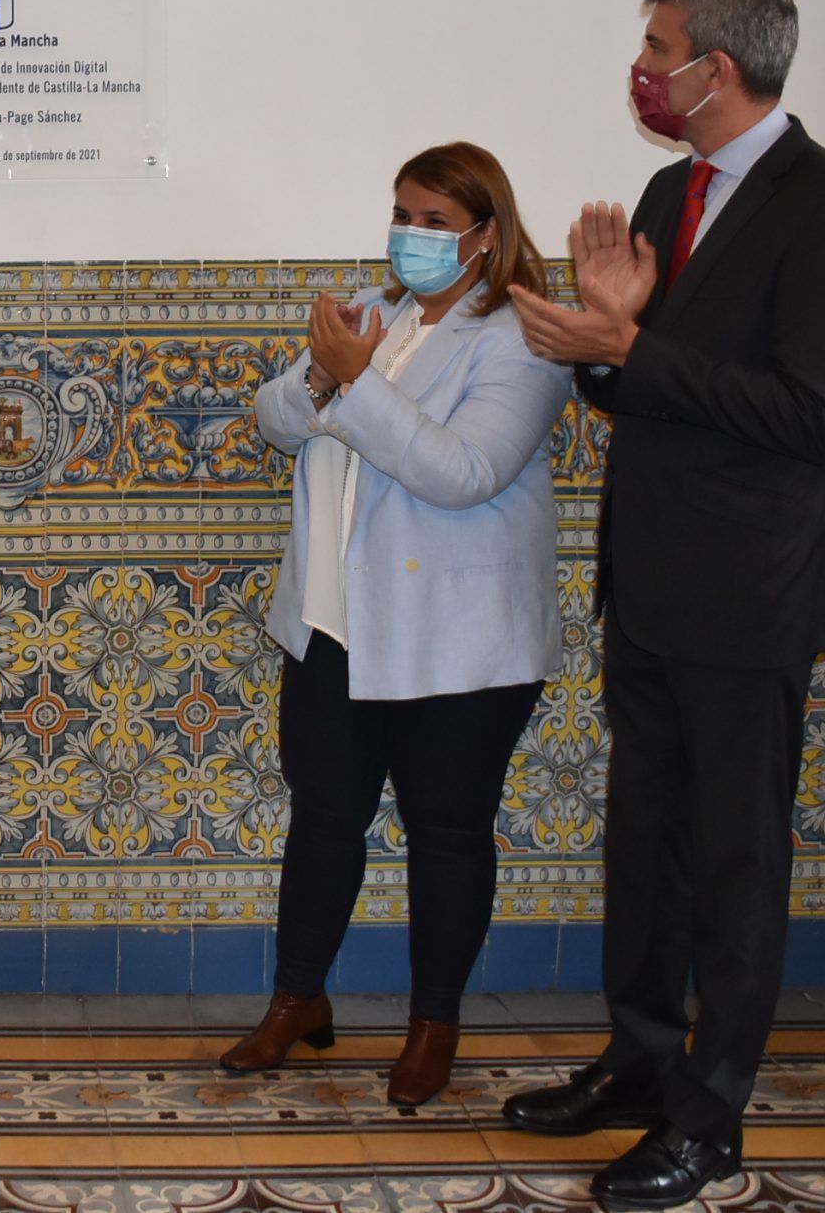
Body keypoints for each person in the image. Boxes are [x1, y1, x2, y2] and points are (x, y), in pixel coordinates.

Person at [503, 0, 825, 1212]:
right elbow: (645, 386)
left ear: (715, 69)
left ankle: (708, 1116)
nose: (644, 68)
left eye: (658, 47)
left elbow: (808, 414)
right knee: (646, 847)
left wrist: (630, 346)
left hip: (751, 592)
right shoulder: (677, 191)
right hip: (653, 579)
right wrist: (602, 349)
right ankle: (638, 1061)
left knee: (733, 862)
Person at [219, 142, 571, 1107]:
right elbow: (275, 417)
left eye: (433, 221)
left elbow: (463, 472)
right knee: (323, 820)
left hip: (459, 644)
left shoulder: (524, 339)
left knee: (448, 831)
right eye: (402, 214)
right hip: (334, 626)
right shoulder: (376, 314)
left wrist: (355, 383)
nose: (410, 235)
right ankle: (298, 999)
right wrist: (327, 378)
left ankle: (433, 1025)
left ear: (485, 234)